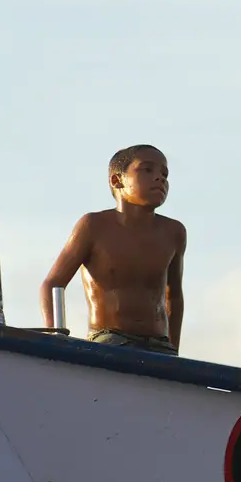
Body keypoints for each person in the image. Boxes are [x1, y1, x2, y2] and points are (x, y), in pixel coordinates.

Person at [41, 144, 185, 354]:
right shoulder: (93, 225)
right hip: (109, 340)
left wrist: (174, 352)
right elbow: (53, 283)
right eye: (147, 169)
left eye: (164, 174)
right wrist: (53, 338)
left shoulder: (174, 232)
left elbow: (174, 296)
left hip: (159, 345)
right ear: (117, 180)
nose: (160, 178)